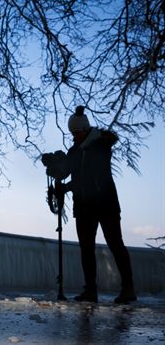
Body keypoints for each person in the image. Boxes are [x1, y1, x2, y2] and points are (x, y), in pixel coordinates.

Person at [59, 105, 136, 304]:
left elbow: (91, 176)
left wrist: (68, 187)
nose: (74, 136)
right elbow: (65, 171)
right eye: (72, 133)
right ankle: (90, 291)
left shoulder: (101, 146)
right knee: (86, 248)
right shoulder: (74, 150)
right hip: (83, 206)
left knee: (115, 243)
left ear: (85, 130)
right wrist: (55, 165)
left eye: (76, 132)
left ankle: (128, 289)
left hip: (105, 203)